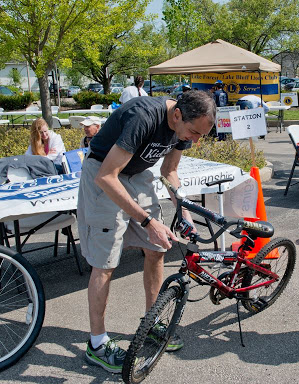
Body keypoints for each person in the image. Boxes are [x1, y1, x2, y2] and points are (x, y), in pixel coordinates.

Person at [78, 90, 216, 373]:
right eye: (193, 132)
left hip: (137, 175)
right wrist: (147, 222)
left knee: (158, 248)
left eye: (201, 135)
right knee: (105, 263)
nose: (195, 140)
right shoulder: (143, 116)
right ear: (177, 115)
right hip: (104, 175)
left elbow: (170, 169)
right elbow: (107, 175)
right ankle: (97, 345)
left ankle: (151, 322)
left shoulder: (185, 127)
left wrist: (184, 211)